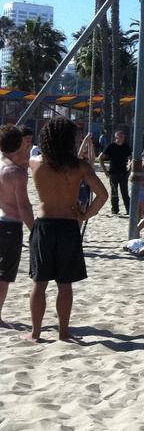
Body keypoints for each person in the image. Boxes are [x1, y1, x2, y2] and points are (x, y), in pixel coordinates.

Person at [28, 118, 107, 342]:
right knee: (65, 285)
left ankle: (35, 333)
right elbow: (103, 195)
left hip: (44, 224)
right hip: (68, 225)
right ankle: (63, 331)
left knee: (39, 283)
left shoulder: (36, 163)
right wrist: (86, 214)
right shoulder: (80, 166)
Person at [0, 124, 36, 326]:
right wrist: (35, 230)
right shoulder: (16, 172)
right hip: (10, 225)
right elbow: (24, 206)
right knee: (4, 274)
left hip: (1, 216)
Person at [98, 129, 131, 215]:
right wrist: (105, 171)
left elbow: (131, 159)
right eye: (119, 136)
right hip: (113, 173)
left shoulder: (126, 147)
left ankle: (129, 210)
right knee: (114, 193)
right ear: (116, 137)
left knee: (125, 193)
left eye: (122, 137)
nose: (121, 138)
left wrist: (130, 171)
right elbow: (101, 158)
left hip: (124, 173)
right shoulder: (111, 146)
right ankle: (115, 210)